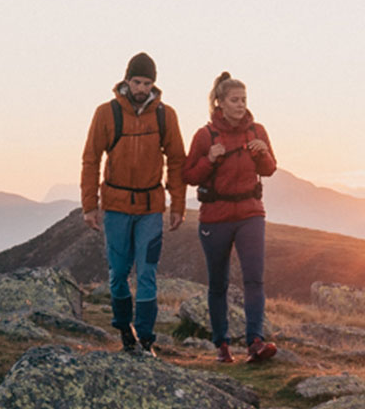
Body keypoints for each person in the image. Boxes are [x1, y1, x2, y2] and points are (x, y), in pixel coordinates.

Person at [80, 52, 186, 354]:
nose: (142, 88)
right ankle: (125, 330)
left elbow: (177, 161)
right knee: (117, 273)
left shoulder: (166, 115)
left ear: (154, 84)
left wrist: (177, 205)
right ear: (126, 80)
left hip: (151, 208)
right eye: (137, 81)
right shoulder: (106, 113)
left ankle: (146, 338)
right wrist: (90, 205)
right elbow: (91, 159)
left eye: (147, 82)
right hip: (115, 208)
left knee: (147, 272)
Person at [182, 70, 279, 363]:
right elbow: (188, 174)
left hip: (251, 213)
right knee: (218, 283)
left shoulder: (257, 131)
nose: (241, 105)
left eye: (244, 99)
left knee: (254, 278)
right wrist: (209, 158)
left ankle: (255, 342)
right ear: (219, 103)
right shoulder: (205, 135)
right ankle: (222, 346)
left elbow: (270, 168)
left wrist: (262, 154)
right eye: (235, 100)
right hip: (215, 217)